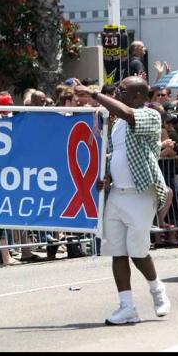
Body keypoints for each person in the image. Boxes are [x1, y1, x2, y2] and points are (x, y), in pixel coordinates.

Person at [74, 77, 171, 325]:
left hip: (141, 193)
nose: (117, 92)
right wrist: (107, 177)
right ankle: (127, 307)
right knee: (117, 252)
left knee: (138, 252)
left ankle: (157, 289)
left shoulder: (149, 115)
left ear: (138, 96)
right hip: (117, 194)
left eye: (122, 90)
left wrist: (94, 94)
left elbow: (128, 113)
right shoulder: (117, 124)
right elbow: (118, 155)